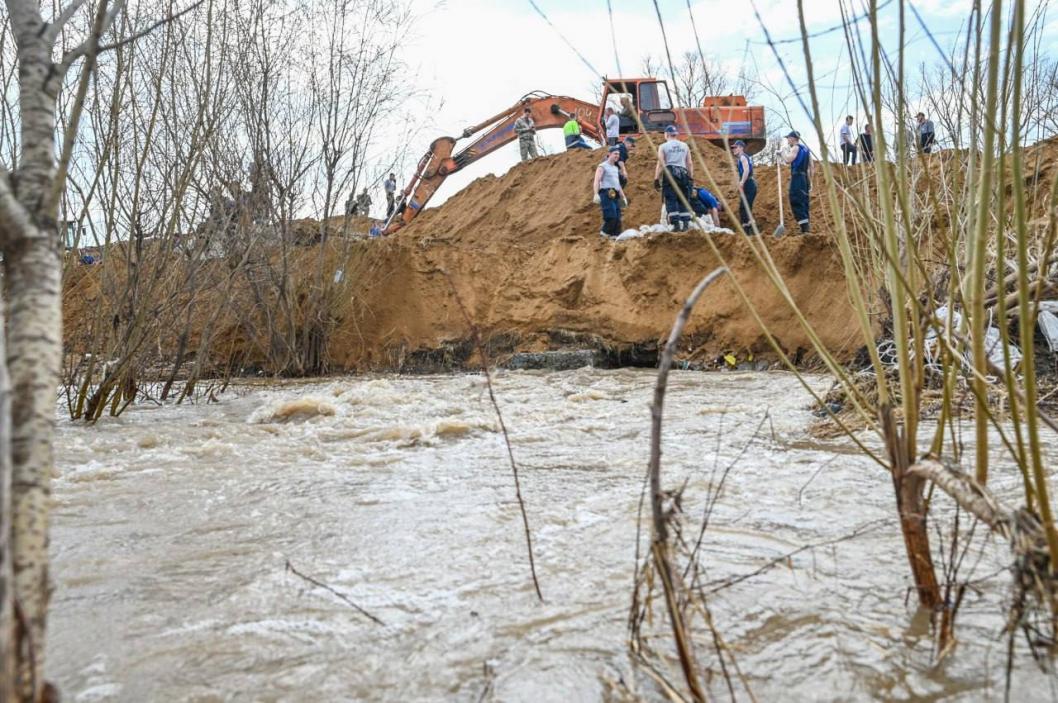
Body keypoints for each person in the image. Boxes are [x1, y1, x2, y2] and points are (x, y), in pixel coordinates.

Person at [654, 125, 693, 232]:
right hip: (683, 173)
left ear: (666, 134)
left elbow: (661, 163)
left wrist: (656, 178)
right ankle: (685, 224)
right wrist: (691, 177)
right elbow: (689, 163)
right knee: (683, 199)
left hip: (670, 173)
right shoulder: (685, 146)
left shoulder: (663, 146)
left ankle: (675, 225)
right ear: (676, 134)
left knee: (671, 199)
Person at [593, 145, 627, 238]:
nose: (617, 156)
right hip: (606, 193)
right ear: (609, 154)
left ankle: (614, 238)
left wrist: (623, 197)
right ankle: (603, 235)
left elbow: (617, 184)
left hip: (615, 193)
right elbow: (597, 180)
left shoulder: (615, 168)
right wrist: (596, 194)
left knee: (618, 218)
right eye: (615, 154)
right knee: (611, 216)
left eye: (618, 154)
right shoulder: (602, 166)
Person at [782, 130, 812, 234]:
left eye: (788, 138)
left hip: (797, 176)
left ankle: (804, 228)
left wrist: (782, 152)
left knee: (795, 199)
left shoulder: (796, 148)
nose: (787, 141)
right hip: (804, 178)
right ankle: (806, 226)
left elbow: (787, 160)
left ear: (793, 138)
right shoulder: (807, 149)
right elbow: (811, 167)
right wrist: (810, 182)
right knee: (804, 201)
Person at [731, 140, 757, 230]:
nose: (733, 149)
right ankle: (746, 228)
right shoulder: (740, 159)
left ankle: (750, 230)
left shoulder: (743, 157)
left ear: (741, 148)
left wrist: (742, 182)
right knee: (743, 208)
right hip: (747, 184)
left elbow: (747, 170)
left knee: (745, 208)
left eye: (736, 147)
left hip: (749, 184)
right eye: (733, 148)